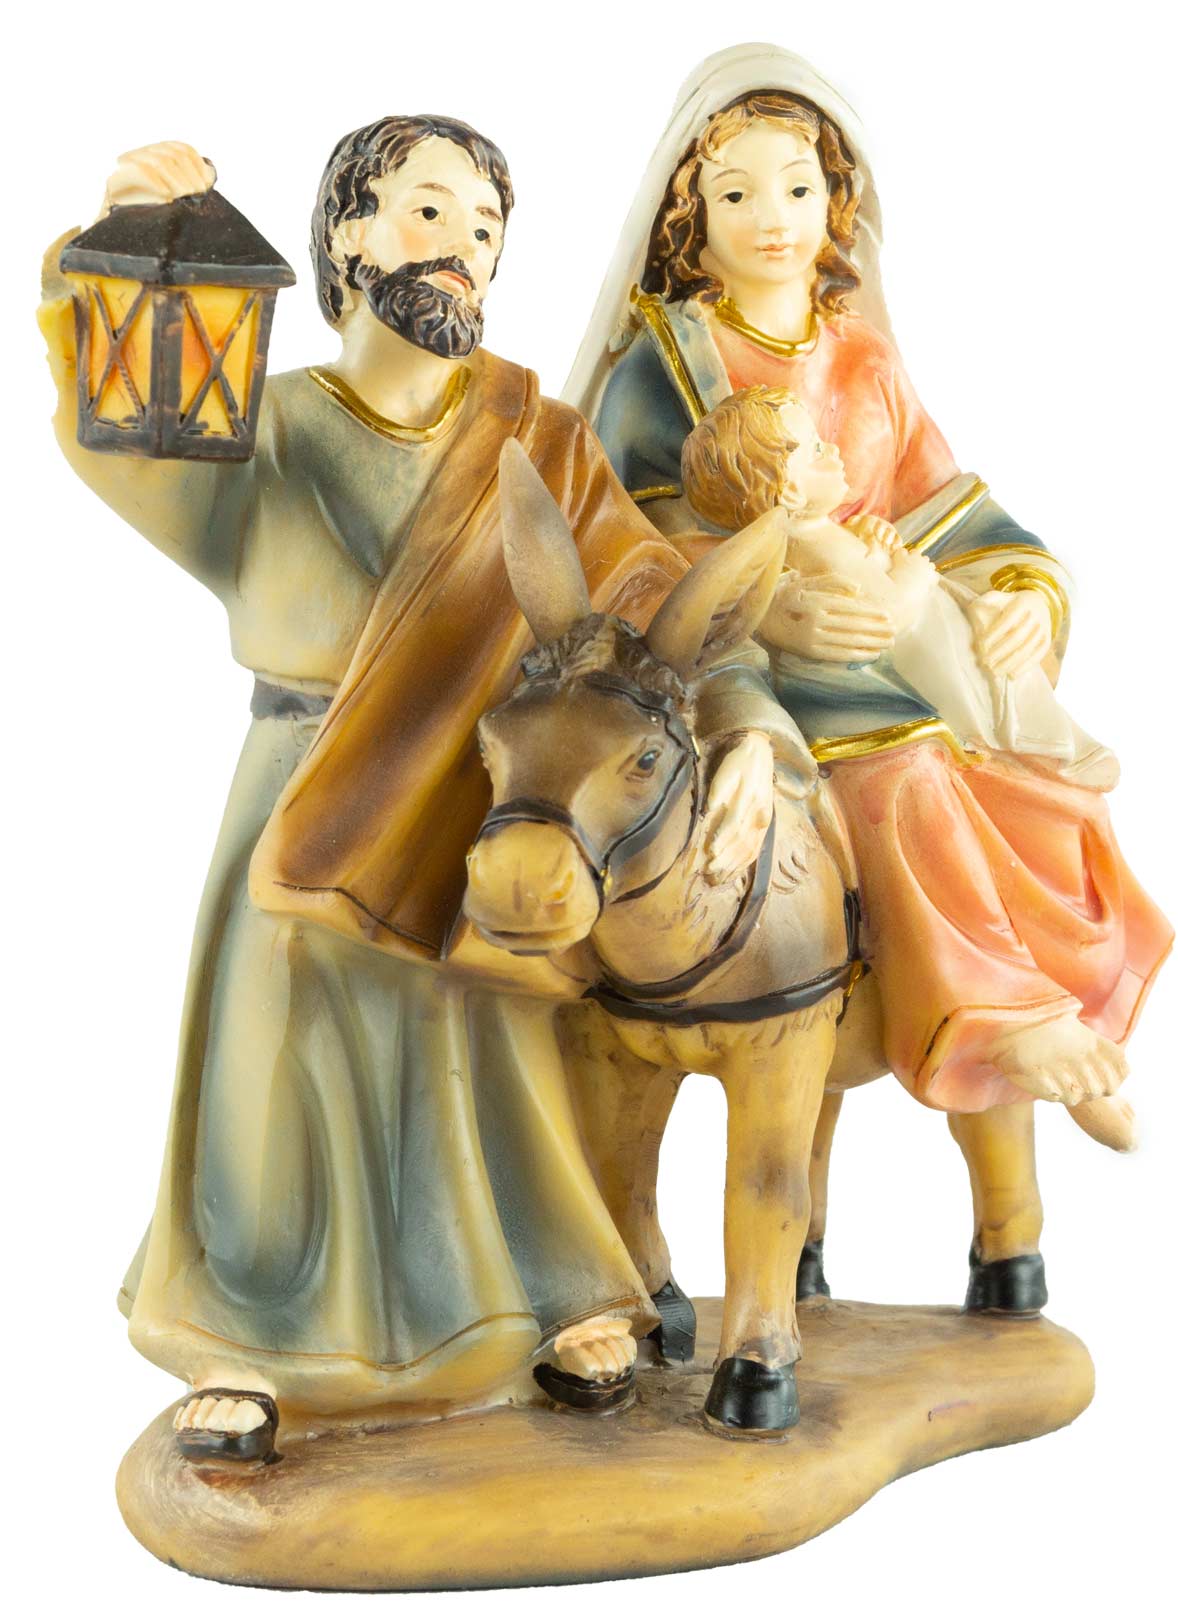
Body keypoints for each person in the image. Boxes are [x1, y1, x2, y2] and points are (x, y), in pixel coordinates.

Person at [40, 117, 802, 1458]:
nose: (463, 250)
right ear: (348, 236)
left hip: (479, 791)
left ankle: (542, 1296)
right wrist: (125, 245)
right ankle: (249, 1335)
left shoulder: (537, 442)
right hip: (305, 780)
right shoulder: (266, 423)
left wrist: (746, 724)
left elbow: (654, 601)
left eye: (487, 230)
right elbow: (130, 429)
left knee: (485, 1059)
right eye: (431, 212)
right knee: (274, 1067)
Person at [565, 44, 1172, 1308]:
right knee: (902, 773)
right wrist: (770, 598)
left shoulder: (863, 363)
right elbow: (618, 543)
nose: (772, 219)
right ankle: (995, 1018)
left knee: (1010, 783)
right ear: (688, 211)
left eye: (798, 188)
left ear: (836, 201)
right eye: (737, 192)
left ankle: (1023, 1065)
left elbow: (953, 510)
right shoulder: (662, 368)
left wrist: (1021, 598)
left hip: (883, 662)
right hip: (728, 674)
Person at [682, 386, 1116, 787]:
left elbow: (877, 547)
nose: (833, 449)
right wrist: (914, 573)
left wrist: (874, 535)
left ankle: (1057, 747)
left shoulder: (820, 531)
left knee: (1001, 661)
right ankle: (1058, 749)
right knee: (993, 686)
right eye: (816, 450)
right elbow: (884, 614)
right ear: (791, 493)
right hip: (925, 650)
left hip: (932, 624)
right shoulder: (815, 553)